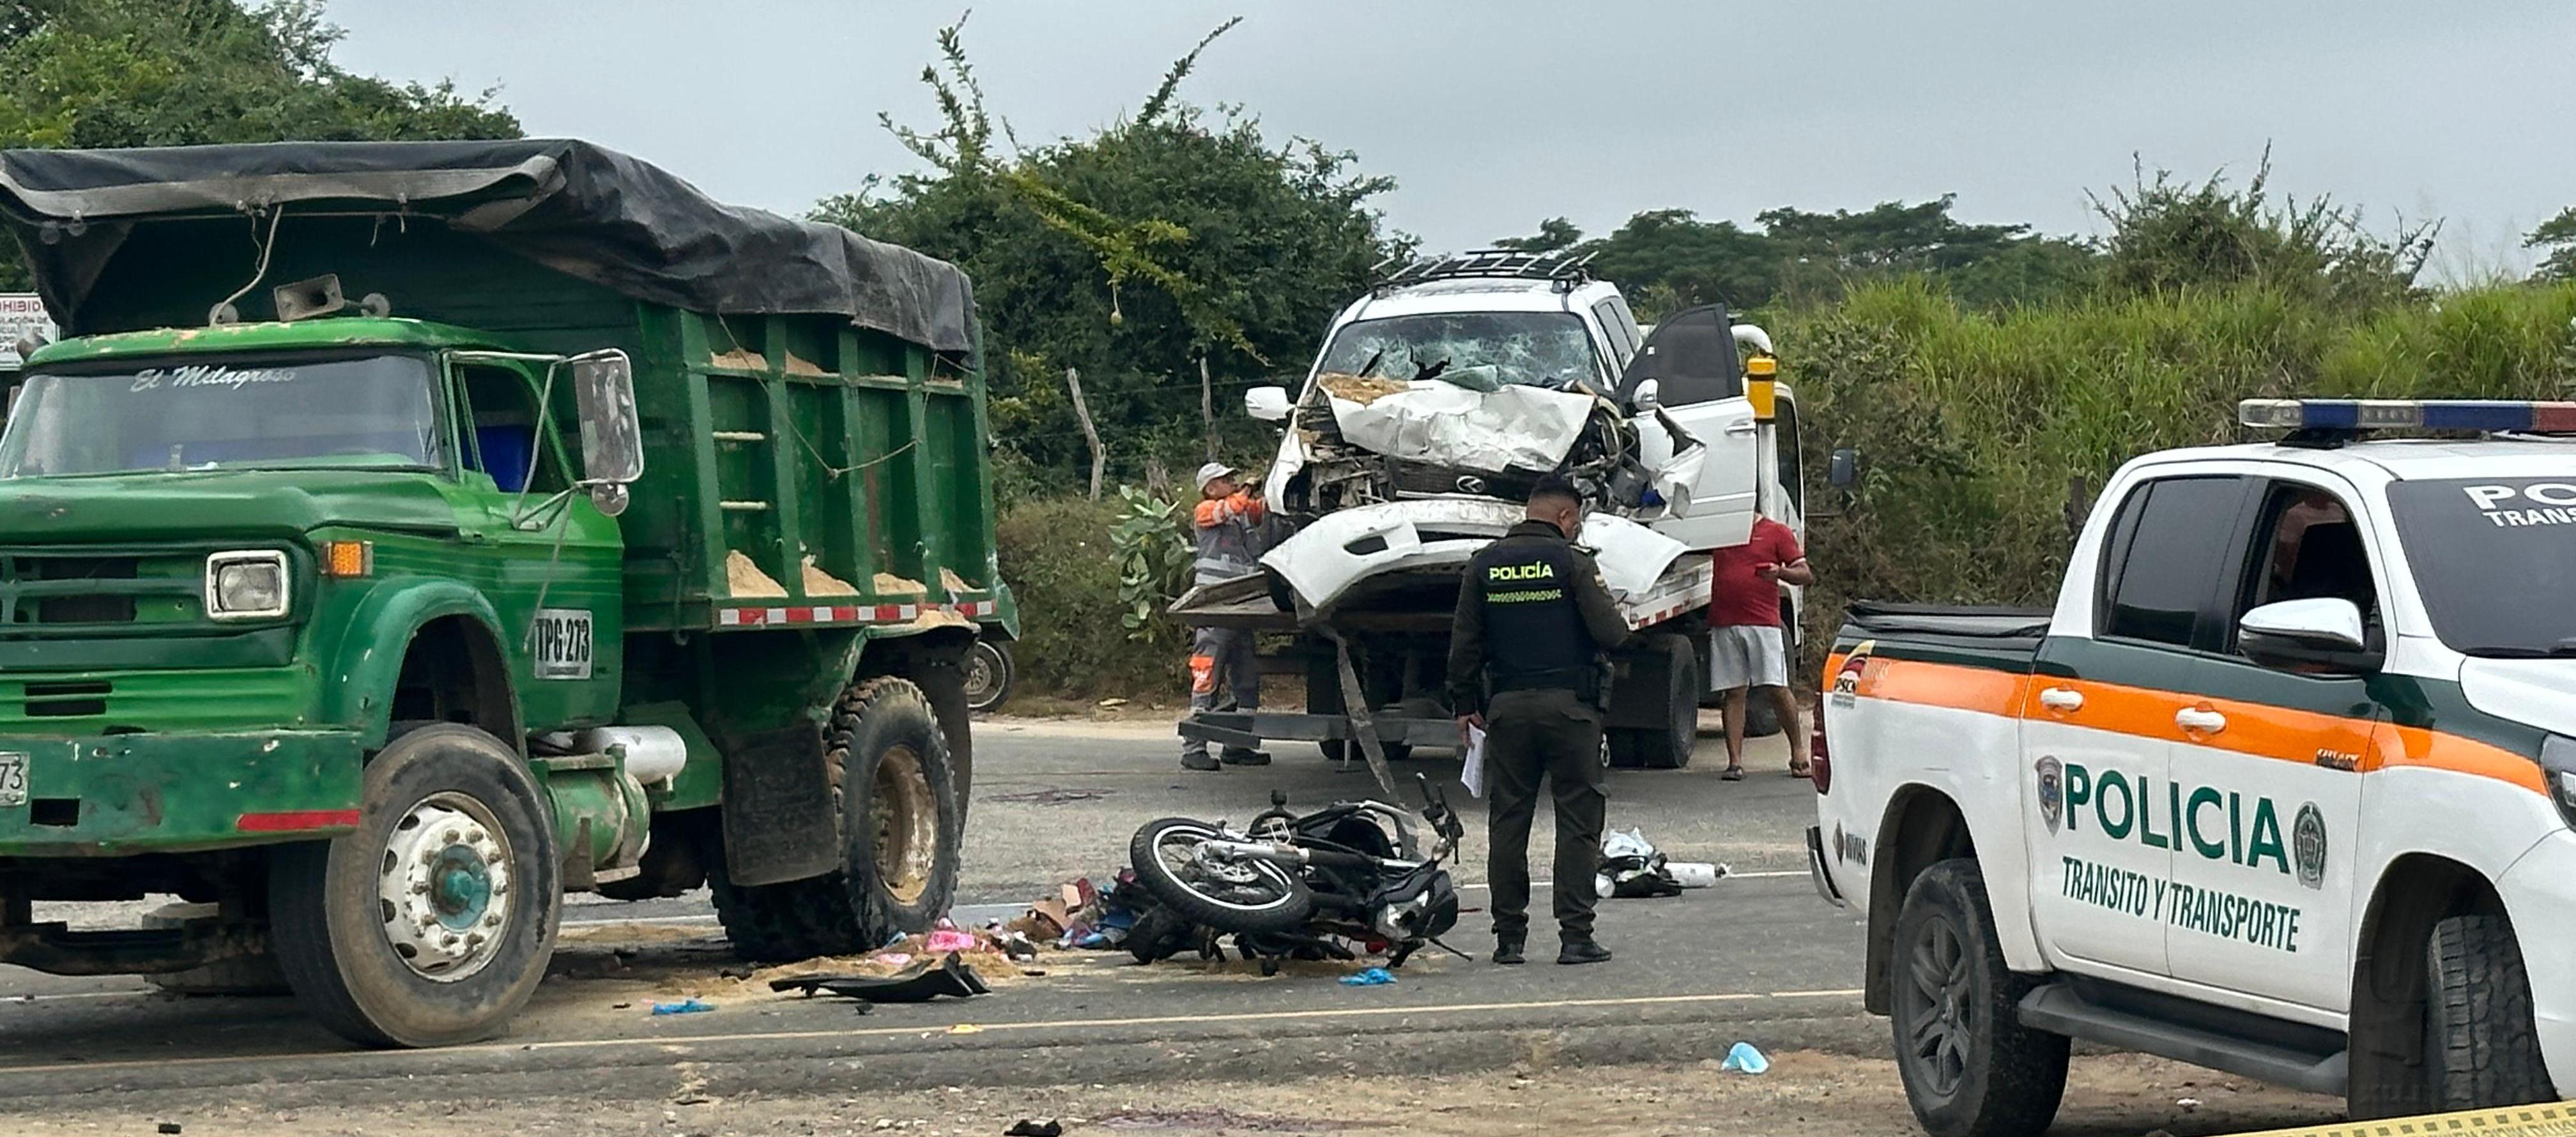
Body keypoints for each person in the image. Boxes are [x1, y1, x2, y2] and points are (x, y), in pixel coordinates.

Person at [1448, 475, 1631, 966]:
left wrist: (1464, 706)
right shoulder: (1573, 564)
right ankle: (1576, 937)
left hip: (1507, 709)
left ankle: (1509, 939)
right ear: (1565, 517)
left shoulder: (1484, 564)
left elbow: (1463, 644)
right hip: (1571, 710)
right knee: (1578, 820)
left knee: (1509, 820)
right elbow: (1612, 634)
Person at [1708, 512, 1813, 781]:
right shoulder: (1721, 531)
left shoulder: (1776, 532)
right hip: (1725, 621)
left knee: (1776, 688)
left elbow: (1805, 574)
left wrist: (1781, 573)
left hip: (1763, 623)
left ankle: (1798, 752)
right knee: (1733, 692)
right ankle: (1735, 762)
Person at [1180, 461, 1269, 772]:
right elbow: (1228, 510)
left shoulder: (1241, 511)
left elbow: (1261, 511)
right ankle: (1193, 748)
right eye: (1226, 480)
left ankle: (1238, 745)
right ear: (1210, 488)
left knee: (1246, 678)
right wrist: (1245, 491)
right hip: (1214, 605)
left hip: (1240, 605)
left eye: (1233, 479)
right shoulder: (1205, 511)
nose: (1232, 482)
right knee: (1208, 673)